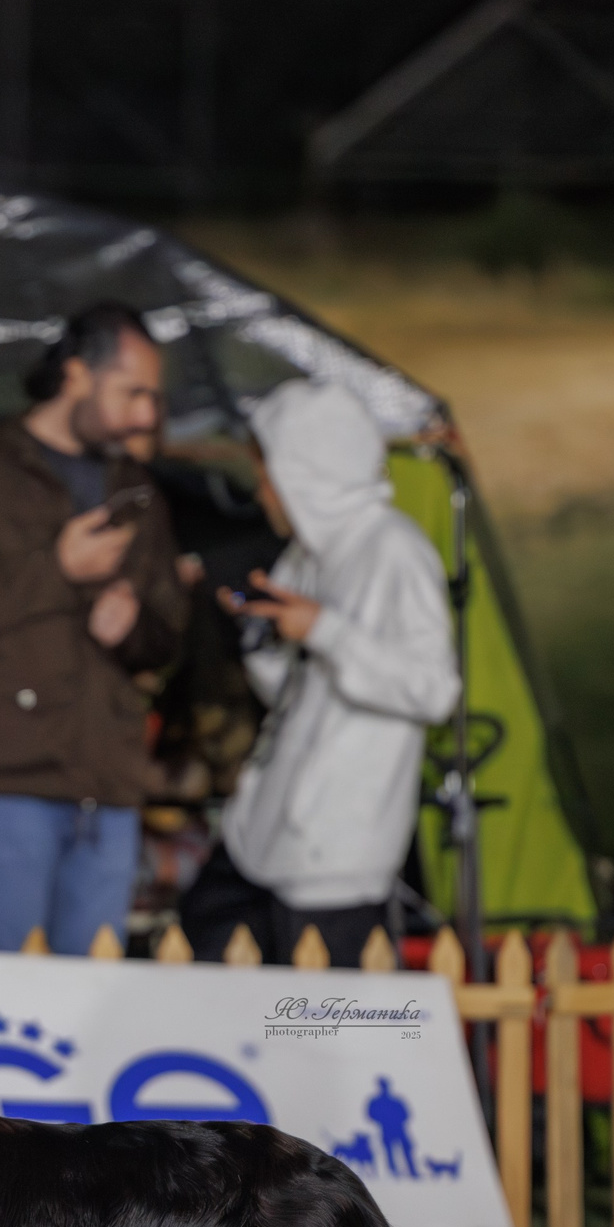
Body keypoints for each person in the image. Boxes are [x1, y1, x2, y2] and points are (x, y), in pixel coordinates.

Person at [0, 302, 187, 954]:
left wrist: (136, 627)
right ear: (79, 375)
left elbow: (171, 634)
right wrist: (53, 568)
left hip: (108, 786)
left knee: (91, 997)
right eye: (132, 392)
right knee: (11, 995)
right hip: (5, 787)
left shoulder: (137, 488)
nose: (147, 415)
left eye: (153, 397)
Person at [180, 380, 459, 966]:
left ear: (308, 474)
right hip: (266, 836)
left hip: (336, 858)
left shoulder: (395, 553)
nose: (262, 495)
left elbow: (432, 689)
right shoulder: (307, 556)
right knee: (218, 987)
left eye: (268, 477)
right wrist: (265, 643)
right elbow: (307, 695)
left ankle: (391, 1051)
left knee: (325, 1030)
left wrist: (325, 630)